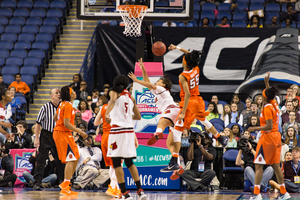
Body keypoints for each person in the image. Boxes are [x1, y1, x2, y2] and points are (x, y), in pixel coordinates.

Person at [165, 45, 228, 179]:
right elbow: (191, 55)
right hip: (199, 100)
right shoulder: (196, 68)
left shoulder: (183, 75)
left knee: (177, 130)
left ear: (186, 62)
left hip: (189, 103)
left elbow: (187, 94)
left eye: (183, 59)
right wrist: (177, 48)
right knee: (204, 121)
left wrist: (183, 112)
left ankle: (174, 161)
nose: (182, 59)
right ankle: (220, 137)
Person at [247, 72, 290, 200]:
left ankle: (256, 193)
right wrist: (267, 83)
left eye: (262, 93)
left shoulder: (267, 108)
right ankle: (284, 192)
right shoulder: (274, 104)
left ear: (264, 97)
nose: (261, 94)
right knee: (276, 165)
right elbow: (270, 93)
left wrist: (253, 128)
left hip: (268, 137)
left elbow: (269, 126)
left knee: (258, 165)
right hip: (275, 137)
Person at [105, 75, 147, 200]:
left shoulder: (114, 92)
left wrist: (107, 114)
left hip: (117, 131)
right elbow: (138, 117)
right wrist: (127, 117)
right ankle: (140, 191)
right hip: (129, 131)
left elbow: (112, 101)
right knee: (129, 162)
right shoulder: (131, 97)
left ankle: (124, 192)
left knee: (117, 162)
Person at [128, 58, 180, 147]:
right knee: (174, 137)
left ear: (163, 84)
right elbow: (147, 82)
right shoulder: (159, 92)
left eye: (158, 81)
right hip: (175, 112)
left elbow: (150, 84)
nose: (156, 82)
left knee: (161, 122)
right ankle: (174, 156)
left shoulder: (162, 89)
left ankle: (158, 133)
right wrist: (143, 69)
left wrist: (136, 81)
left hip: (171, 110)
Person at [53, 86, 88, 196]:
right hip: (62, 133)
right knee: (71, 158)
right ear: (70, 95)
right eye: (72, 91)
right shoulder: (67, 105)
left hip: (64, 133)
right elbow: (67, 124)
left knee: (76, 157)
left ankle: (66, 183)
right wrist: (80, 131)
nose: (74, 92)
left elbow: (55, 118)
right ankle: (65, 184)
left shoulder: (62, 104)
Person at [33, 88, 63, 190]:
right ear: (51, 96)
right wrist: (37, 138)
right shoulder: (45, 107)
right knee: (41, 160)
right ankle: (37, 182)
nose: (59, 95)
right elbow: (38, 123)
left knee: (60, 160)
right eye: (56, 93)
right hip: (46, 135)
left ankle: (62, 181)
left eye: (59, 93)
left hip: (59, 134)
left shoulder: (63, 107)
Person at [94, 102, 120, 198]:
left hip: (105, 137)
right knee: (117, 163)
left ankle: (114, 187)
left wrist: (104, 121)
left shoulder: (104, 107)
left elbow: (96, 123)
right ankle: (113, 187)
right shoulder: (119, 105)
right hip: (114, 136)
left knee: (111, 165)